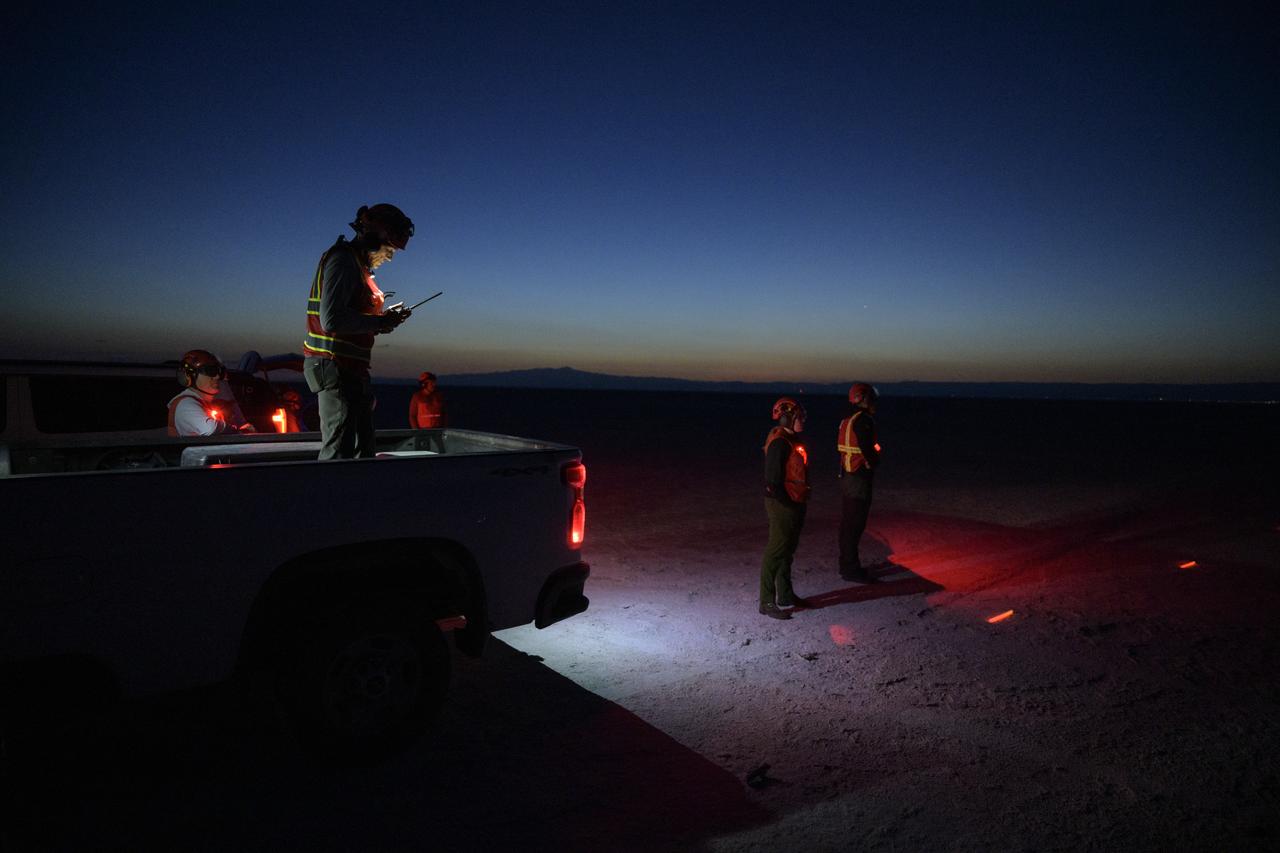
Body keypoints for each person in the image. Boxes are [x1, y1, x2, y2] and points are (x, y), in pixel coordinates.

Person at [303, 203, 415, 459]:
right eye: (390, 249)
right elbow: (331, 320)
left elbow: (350, 318)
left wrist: (384, 320)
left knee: (361, 450)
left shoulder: (357, 267)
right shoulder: (343, 260)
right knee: (340, 452)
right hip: (334, 368)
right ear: (375, 238)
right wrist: (380, 323)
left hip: (349, 371)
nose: (390, 257)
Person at [760, 396, 811, 620]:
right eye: (799, 416)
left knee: (787, 551)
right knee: (776, 550)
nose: (803, 420)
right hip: (782, 503)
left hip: (793, 502)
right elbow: (773, 481)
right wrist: (788, 504)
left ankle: (786, 595)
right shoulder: (780, 442)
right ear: (786, 417)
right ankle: (766, 601)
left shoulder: (790, 440)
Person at [837, 382, 882, 582]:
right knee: (854, 525)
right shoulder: (863, 421)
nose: (874, 403)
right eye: (871, 398)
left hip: (847, 477)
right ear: (863, 399)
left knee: (848, 524)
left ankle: (847, 565)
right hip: (858, 479)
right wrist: (874, 462)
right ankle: (851, 569)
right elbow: (868, 450)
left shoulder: (847, 420)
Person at [167, 349, 255, 437]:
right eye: (210, 371)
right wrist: (238, 430)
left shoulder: (207, 403)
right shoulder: (185, 404)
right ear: (190, 376)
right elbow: (210, 429)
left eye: (218, 372)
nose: (217, 376)